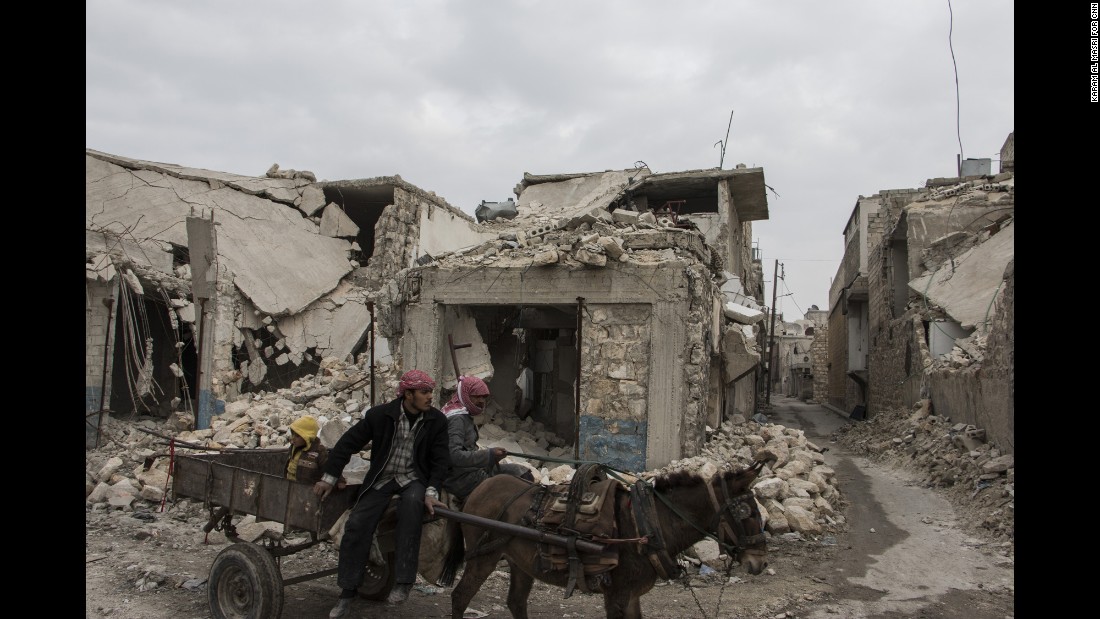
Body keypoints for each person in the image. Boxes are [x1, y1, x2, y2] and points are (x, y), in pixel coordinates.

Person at [313, 369, 450, 618]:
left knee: (412, 507)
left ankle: (404, 582)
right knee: (356, 524)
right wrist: (329, 478)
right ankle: (346, 594)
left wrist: (431, 492)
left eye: (431, 391)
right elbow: (347, 444)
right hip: (382, 479)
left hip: (412, 479)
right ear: (408, 394)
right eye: (425, 392)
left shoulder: (437, 421)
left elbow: (440, 461)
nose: (430, 397)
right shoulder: (380, 416)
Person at [442, 375, 534, 503]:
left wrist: (491, 455)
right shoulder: (457, 419)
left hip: (471, 470)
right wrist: (489, 455)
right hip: (461, 478)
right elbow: (453, 456)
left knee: (523, 473)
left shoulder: (464, 414)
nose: (481, 401)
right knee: (517, 485)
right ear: (465, 395)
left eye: (484, 397)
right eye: (477, 396)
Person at [285, 415, 327, 484]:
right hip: (289, 485)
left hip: (306, 489)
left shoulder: (319, 451)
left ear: (307, 437)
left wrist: (339, 480)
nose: (293, 438)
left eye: (298, 436)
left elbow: (329, 468)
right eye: (293, 434)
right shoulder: (293, 447)